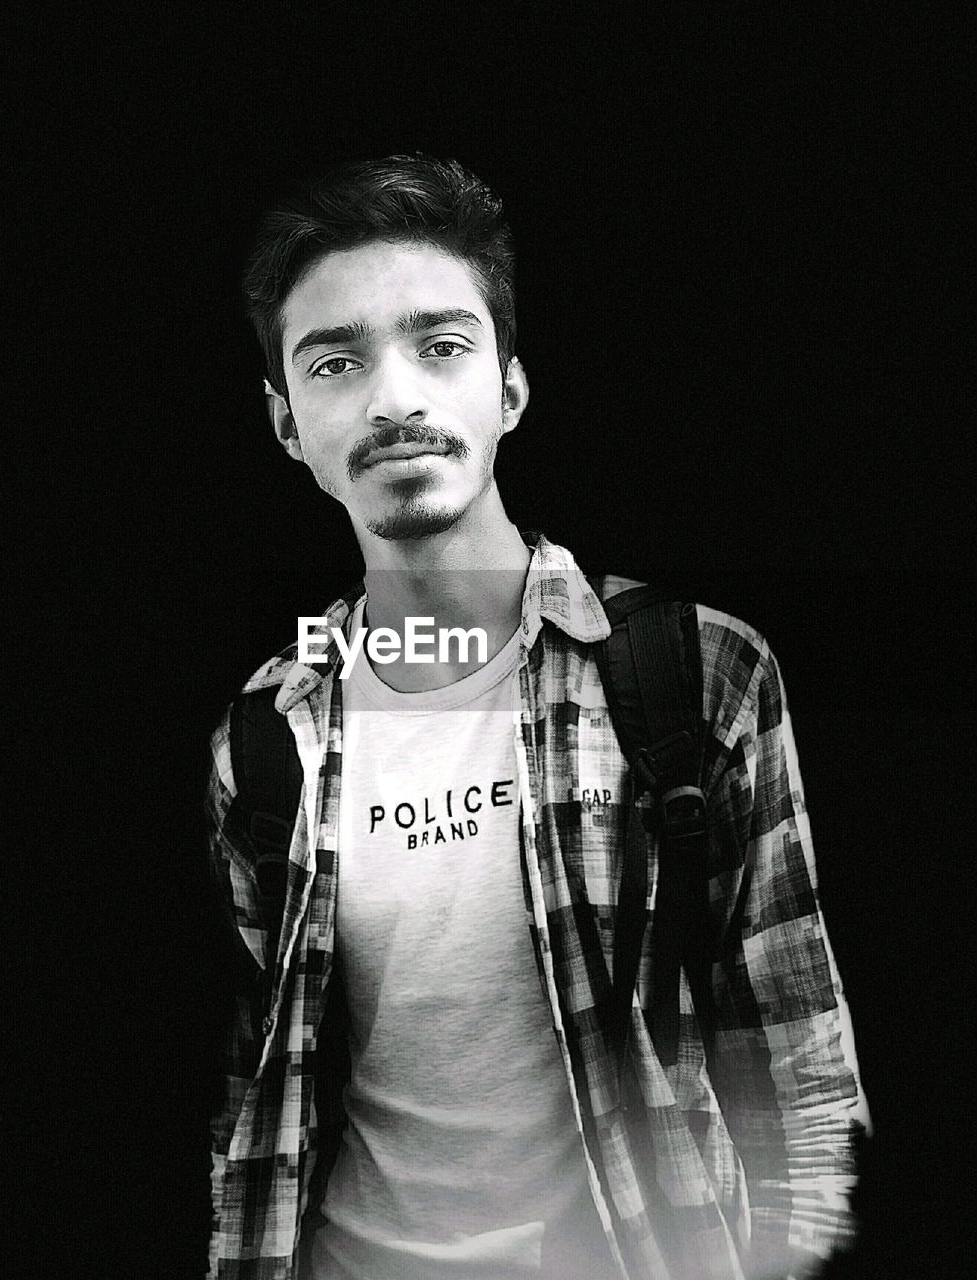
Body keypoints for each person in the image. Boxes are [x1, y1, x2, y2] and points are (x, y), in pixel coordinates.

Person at [205, 155, 869, 1280]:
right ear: (285, 424)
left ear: (507, 388)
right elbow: (252, 1099)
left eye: (441, 345)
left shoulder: (690, 670)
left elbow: (803, 1076)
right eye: (334, 362)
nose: (392, 397)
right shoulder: (266, 732)